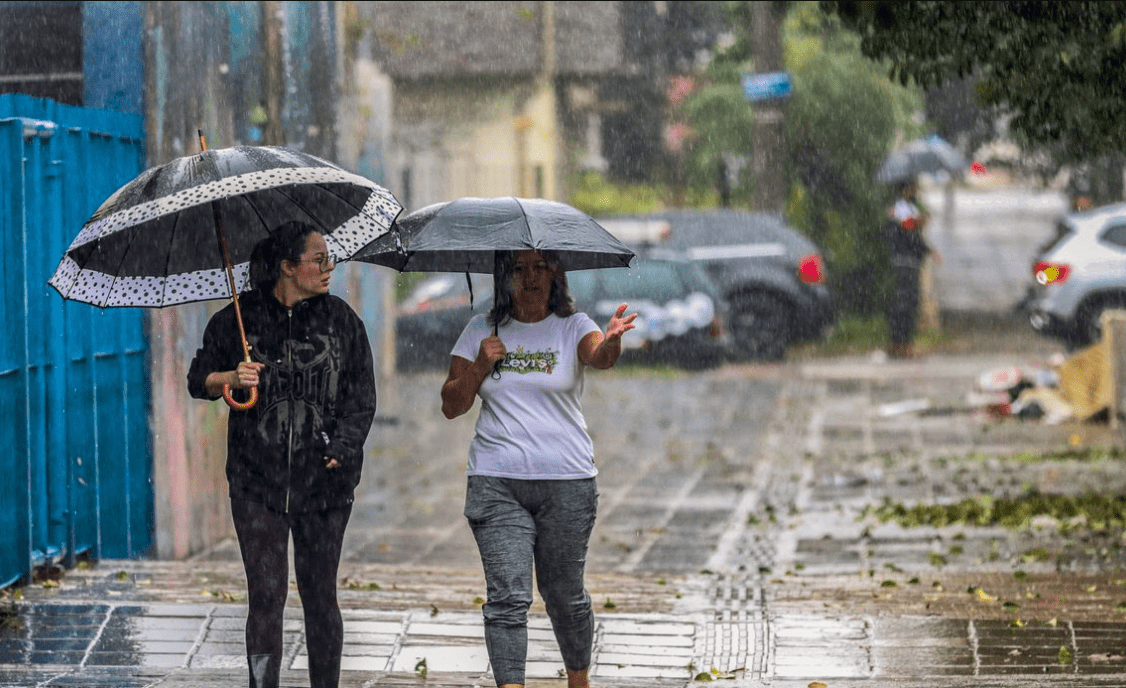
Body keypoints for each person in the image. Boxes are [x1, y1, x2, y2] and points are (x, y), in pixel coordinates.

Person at [187, 220, 377, 688]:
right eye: (318, 259)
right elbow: (199, 379)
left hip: (326, 484)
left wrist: (346, 448)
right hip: (257, 484)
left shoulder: (342, 321)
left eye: (327, 258)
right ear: (288, 267)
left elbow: (361, 398)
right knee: (266, 596)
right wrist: (230, 377)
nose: (328, 266)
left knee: (319, 596)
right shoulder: (238, 319)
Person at [440, 250, 637, 688]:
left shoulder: (573, 326)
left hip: (567, 483)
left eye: (539, 268)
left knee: (564, 596)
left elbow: (599, 356)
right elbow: (451, 404)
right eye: (519, 269)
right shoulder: (479, 330)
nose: (530, 278)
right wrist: (478, 366)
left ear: (555, 275)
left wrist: (614, 340)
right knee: (508, 597)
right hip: (496, 482)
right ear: (503, 277)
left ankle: (578, 679)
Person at [884, 179, 935, 359]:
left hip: (906, 261)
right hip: (905, 262)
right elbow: (910, 234)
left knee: (904, 302)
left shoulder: (902, 207)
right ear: (907, 189)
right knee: (906, 303)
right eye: (914, 187)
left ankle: (900, 343)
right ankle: (901, 343)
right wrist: (927, 248)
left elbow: (910, 232)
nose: (916, 191)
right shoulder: (902, 208)